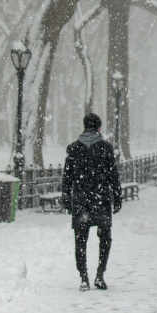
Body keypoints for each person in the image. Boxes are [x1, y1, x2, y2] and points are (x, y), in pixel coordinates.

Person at [61, 112, 122, 291]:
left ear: (84, 126)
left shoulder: (73, 149)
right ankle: (100, 274)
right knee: (105, 238)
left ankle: (83, 277)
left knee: (80, 239)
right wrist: (117, 196)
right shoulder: (106, 148)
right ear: (99, 128)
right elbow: (113, 175)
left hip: (81, 200)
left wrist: (66, 196)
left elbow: (67, 177)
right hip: (101, 199)